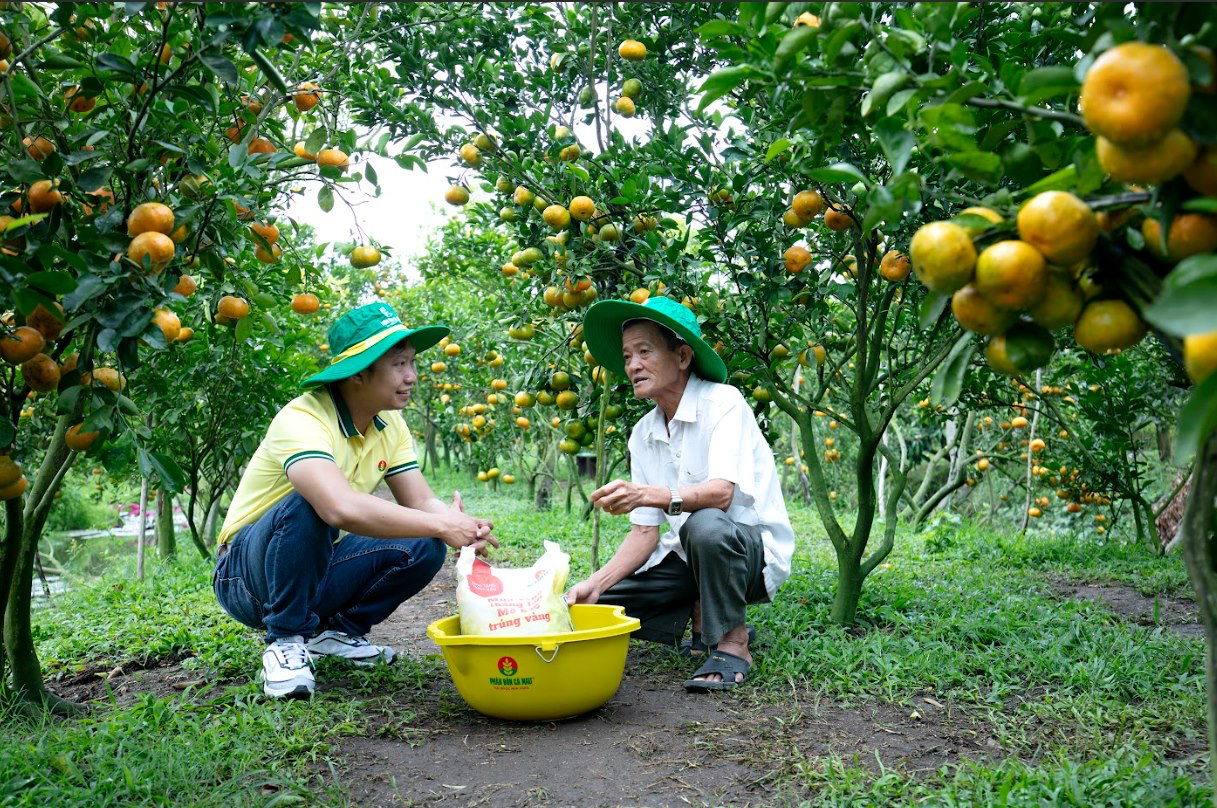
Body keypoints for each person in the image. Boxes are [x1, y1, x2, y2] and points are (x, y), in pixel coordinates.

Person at [213, 302, 497, 699]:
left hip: (313, 566)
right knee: (309, 505)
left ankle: (334, 633)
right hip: (245, 577)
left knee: (424, 543)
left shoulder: (390, 424)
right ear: (360, 371)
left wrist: (454, 523)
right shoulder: (304, 418)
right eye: (399, 364)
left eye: (413, 363)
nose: (412, 376)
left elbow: (420, 501)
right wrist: (440, 523)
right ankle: (285, 641)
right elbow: (337, 507)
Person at [566, 296, 794, 692]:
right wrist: (597, 583)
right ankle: (700, 609)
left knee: (704, 525)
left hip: (746, 553)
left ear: (683, 356)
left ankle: (733, 643)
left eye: (644, 351)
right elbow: (644, 534)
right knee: (595, 610)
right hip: (684, 559)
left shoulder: (723, 402)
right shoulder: (643, 433)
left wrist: (648, 493)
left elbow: (722, 494)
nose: (632, 365)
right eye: (626, 356)